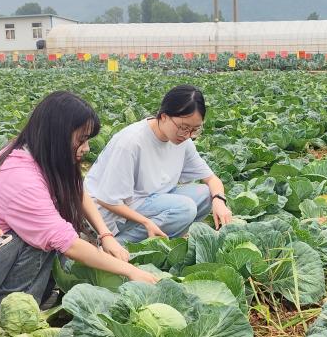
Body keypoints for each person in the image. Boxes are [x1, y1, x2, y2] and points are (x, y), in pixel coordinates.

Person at [0, 91, 158, 318]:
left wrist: (105, 235)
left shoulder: (38, 154)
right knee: (43, 238)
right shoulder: (20, 177)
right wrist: (131, 271)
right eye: (81, 139)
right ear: (57, 135)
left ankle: (28, 297)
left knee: (48, 230)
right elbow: (69, 244)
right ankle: (2, 317)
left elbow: (75, 188)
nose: (85, 148)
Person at [85, 85, 233, 243]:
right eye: (183, 127)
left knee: (206, 195)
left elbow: (212, 179)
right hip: (111, 214)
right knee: (185, 209)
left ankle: (165, 240)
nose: (188, 135)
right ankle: (119, 244)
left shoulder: (183, 141)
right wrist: (146, 222)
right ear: (163, 116)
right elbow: (106, 200)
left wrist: (219, 199)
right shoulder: (131, 142)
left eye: (194, 130)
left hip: (151, 200)